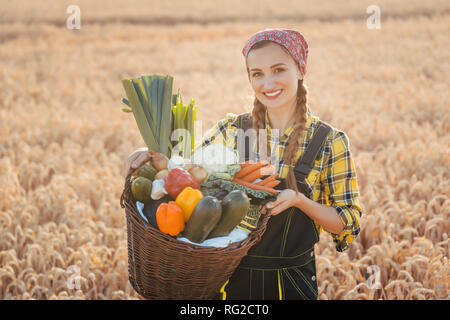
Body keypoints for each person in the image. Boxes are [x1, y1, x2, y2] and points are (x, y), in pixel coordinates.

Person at [124, 28, 362, 300]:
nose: (268, 83)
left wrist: (299, 200)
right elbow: (184, 176)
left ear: (300, 69)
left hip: (291, 287)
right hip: (225, 285)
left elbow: (348, 224)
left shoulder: (328, 141)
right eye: (257, 73)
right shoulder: (232, 130)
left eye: (278, 70)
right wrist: (151, 156)